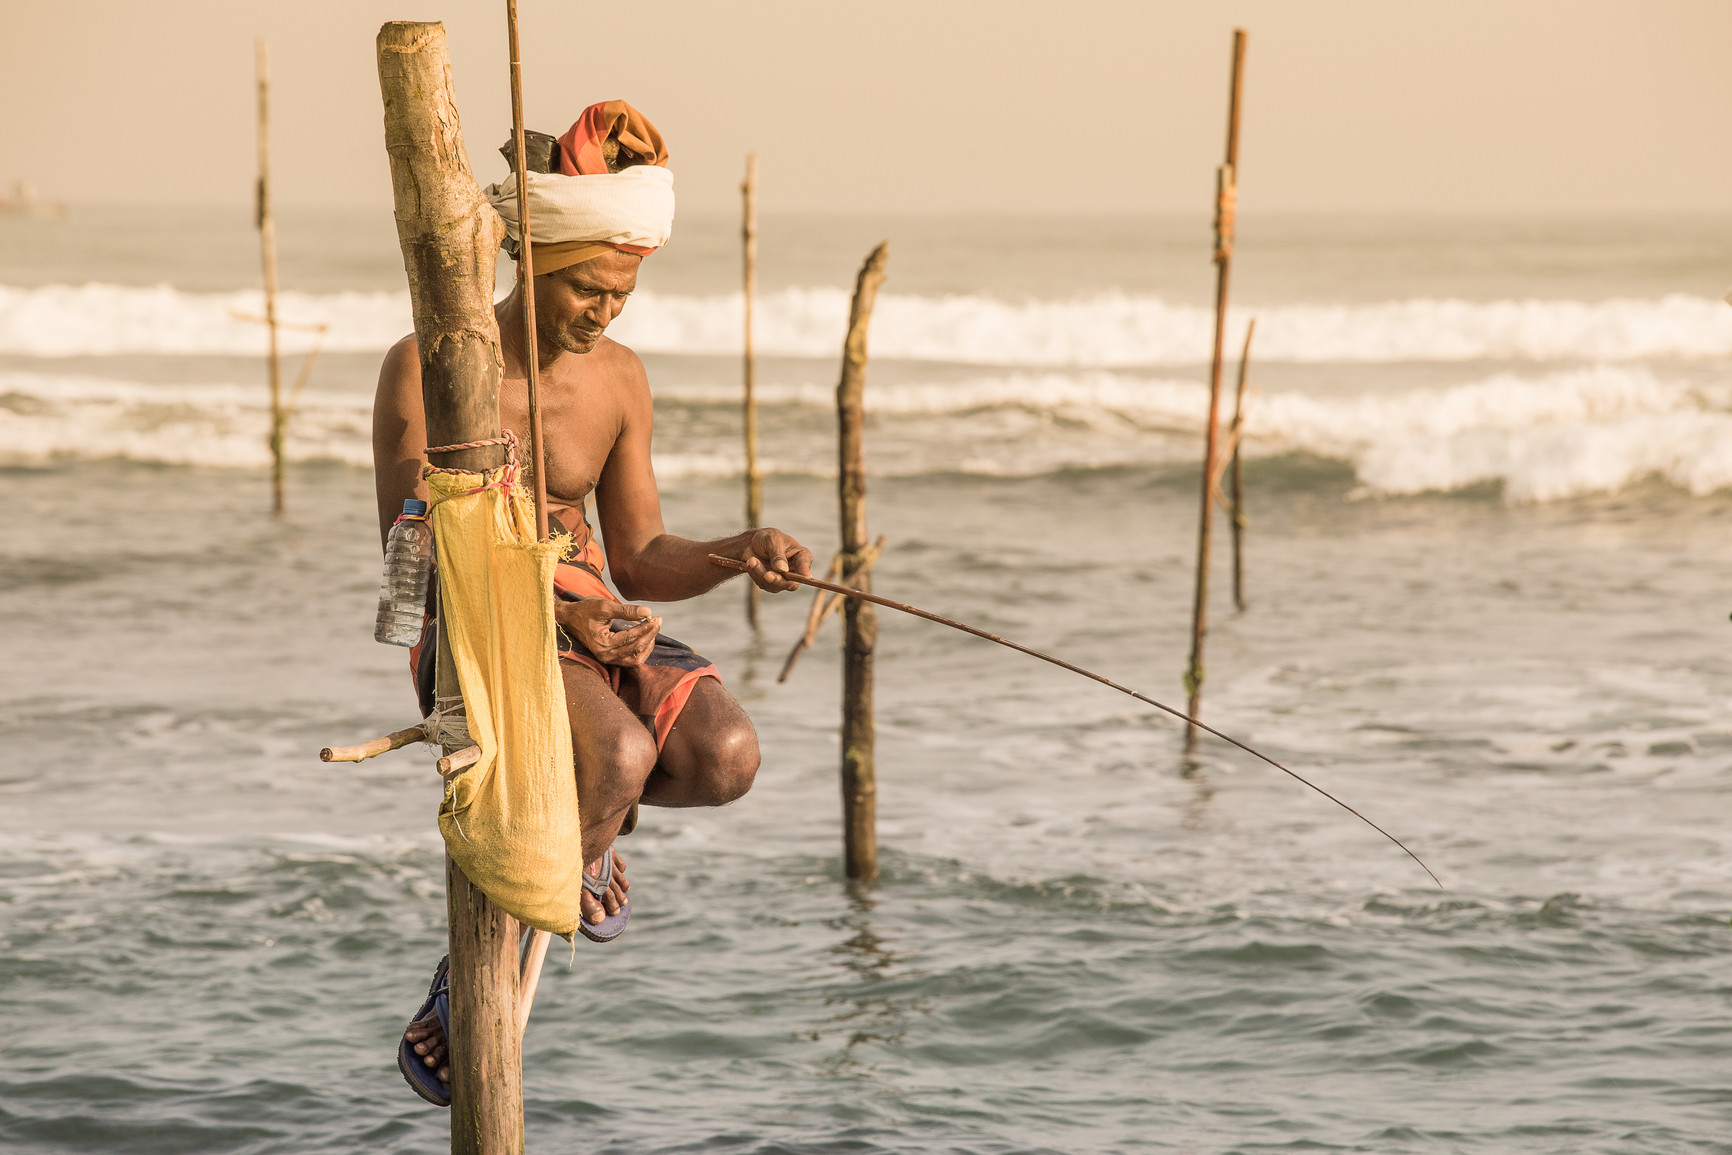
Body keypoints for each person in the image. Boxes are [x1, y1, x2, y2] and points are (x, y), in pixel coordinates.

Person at [373, 101, 813, 1105]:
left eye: (621, 294)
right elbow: (411, 549)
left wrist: (737, 550)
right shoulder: (430, 368)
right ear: (533, 258)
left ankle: (589, 832)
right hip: (478, 627)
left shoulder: (618, 380)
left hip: (589, 622)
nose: (604, 311)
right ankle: (471, 972)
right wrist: (552, 611)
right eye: (586, 288)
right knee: (616, 752)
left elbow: (643, 558)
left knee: (726, 758)